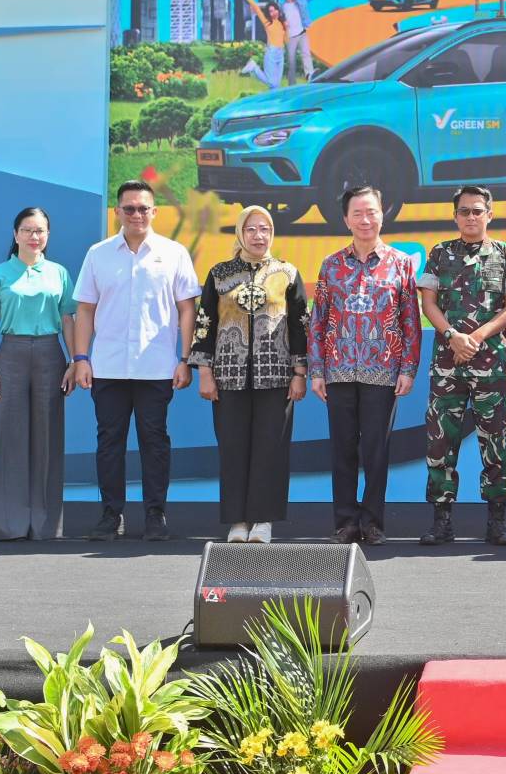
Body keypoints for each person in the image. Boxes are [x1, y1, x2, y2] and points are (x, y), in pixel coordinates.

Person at [71, 181, 201, 542]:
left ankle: (155, 513)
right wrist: (81, 358)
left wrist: (185, 359)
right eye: (129, 208)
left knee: (154, 442)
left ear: (154, 212)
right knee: (109, 442)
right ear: (117, 213)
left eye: (143, 208)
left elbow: (187, 309)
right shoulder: (98, 254)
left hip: (156, 367)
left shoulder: (174, 253)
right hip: (108, 366)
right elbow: (85, 309)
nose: (136, 215)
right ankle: (111, 514)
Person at [307, 185, 421, 546]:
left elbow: (410, 321)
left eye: (371, 211)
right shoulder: (331, 265)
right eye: (357, 213)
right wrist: (316, 370)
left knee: (376, 449)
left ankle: (372, 522)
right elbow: (318, 321)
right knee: (342, 449)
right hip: (338, 370)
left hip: (383, 371)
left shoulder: (401, 263)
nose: (365, 219)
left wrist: (408, 368)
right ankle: (345, 522)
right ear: (345, 219)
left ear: (382, 213)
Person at [190, 205, 307, 544]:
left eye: (265, 229)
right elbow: (205, 324)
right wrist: (204, 372)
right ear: (241, 233)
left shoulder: (287, 272)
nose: (259, 236)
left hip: (277, 377)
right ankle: (237, 522)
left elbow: (301, 325)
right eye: (252, 229)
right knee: (233, 447)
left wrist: (299, 372)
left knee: (270, 448)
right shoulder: (220, 273)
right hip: (228, 377)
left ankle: (263, 522)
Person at [417, 185, 506, 546]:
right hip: (448, 365)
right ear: (455, 217)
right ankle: (441, 521)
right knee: (439, 443)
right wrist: (453, 337)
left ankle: (497, 520)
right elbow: (428, 304)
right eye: (464, 211)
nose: (470, 217)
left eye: (477, 211)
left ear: (489, 214)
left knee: (495, 442)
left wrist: (475, 338)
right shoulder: (439, 253)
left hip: (491, 365)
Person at [0, 207, 77, 542]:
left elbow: (68, 321)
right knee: (8, 437)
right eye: (28, 230)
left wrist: (75, 361)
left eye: (41, 231)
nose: (35, 237)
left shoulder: (59, 273)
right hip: (11, 356)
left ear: (48, 235)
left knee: (47, 436)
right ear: (16, 233)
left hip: (51, 355)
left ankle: (45, 523)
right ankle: (7, 523)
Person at [280, 0, 334, 83]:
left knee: (306, 55)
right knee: (292, 61)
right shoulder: (281, 6)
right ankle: (292, 83)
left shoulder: (302, 0)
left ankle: (309, 75)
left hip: (302, 33)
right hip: (290, 37)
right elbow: (268, 9)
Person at [236, 0, 289, 89]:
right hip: (271, 53)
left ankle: (272, 104)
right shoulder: (267, 23)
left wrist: (286, 29)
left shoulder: (283, 23)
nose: (274, 12)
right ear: (268, 13)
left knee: (276, 86)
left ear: (278, 10)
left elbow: (286, 40)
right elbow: (255, 7)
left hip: (281, 54)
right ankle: (254, 67)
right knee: (273, 83)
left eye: (275, 10)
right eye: (270, 11)